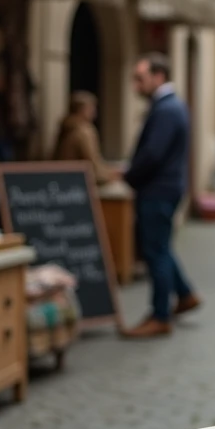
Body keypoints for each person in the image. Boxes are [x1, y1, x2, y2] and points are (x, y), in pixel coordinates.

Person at [122, 54, 199, 338]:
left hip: (158, 190)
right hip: (165, 188)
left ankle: (160, 315)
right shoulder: (169, 107)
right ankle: (185, 294)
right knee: (162, 247)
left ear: (158, 76)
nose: (136, 85)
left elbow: (153, 154)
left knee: (155, 252)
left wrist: (129, 176)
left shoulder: (166, 109)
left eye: (140, 78)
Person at [53, 91, 118, 185]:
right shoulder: (84, 131)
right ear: (83, 110)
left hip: (62, 181)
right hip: (78, 183)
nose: (94, 112)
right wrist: (110, 176)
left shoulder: (66, 127)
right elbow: (92, 163)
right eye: (92, 108)